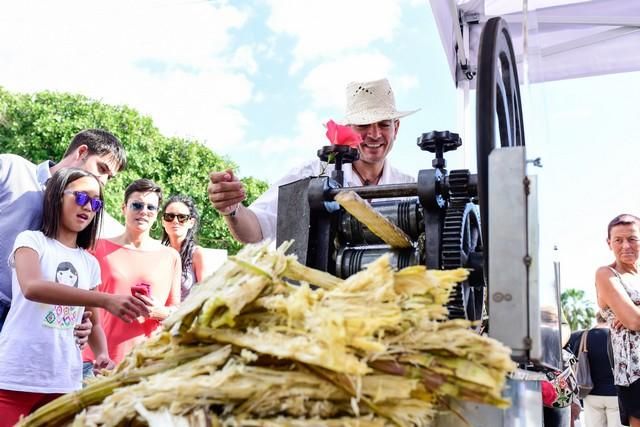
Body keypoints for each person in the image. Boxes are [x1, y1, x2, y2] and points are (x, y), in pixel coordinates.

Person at [0, 168, 150, 426]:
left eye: (95, 202)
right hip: (17, 375)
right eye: (81, 197)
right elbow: (32, 287)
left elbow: (91, 321)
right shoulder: (31, 241)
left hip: (64, 382)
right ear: (58, 196)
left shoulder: (89, 262)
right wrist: (106, 299)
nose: (88, 207)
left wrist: (102, 354)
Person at [207, 78, 418, 243]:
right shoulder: (311, 175)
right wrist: (233, 209)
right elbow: (257, 229)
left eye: (383, 124)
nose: (374, 134)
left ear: (396, 128)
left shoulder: (411, 188)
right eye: (363, 125)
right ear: (348, 128)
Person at [0, 128, 127, 342]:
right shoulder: (12, 168)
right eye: (102, 168)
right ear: (81, 152)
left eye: (109, 177)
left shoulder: (87, 211)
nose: (104, 180)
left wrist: (82, 319)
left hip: (29, 325)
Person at [82, 178, 181, 366]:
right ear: (123, 208)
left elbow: (178, 309)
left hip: (147, 362)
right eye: (137, 205)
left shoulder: (171, 256)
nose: (144, 211)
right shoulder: (95, 248)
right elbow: (81, 303)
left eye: (151, 207)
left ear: (157, 214)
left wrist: (158, 311)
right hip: (97, 360)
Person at [595, 214, 640, 427]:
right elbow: (634, 321)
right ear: (608, 243)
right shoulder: (607, 274)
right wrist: (632, 313)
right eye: (618, 240)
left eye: (632, 238)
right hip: (635, 375)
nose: (626, 246)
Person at [568, 312, 622, 427]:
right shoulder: (619, 335)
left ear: (597, 318)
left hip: (590, 393)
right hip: (617, 394)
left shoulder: (581, 336)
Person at [161, 194, 206, 301]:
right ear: (163, 221)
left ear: (191, 222)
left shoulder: (196, 254)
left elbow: (205, 295)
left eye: (182, 217)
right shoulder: (158, 252)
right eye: (170, 216)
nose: (175, 221)